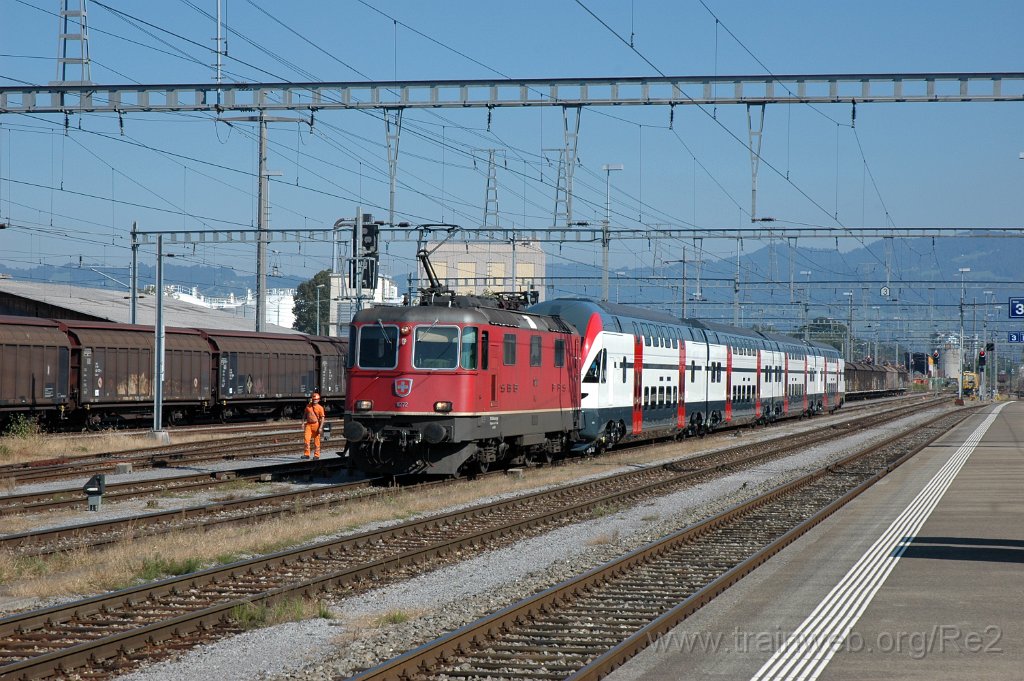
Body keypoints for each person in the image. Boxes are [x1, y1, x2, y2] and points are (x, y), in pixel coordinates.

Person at [303, 392, 326, 459]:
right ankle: (306, 454)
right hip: (308, 425)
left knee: (317, 441)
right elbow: (305, 414)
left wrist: (320, 427)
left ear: (318, 400)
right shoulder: (308, 406)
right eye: (314, 399)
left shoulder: (320, 408)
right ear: (312, 399)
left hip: (316, 424)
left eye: (316, 399)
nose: (315, 400)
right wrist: (302, 423)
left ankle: (316, 455)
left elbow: (322, 418)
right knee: (306, 439)